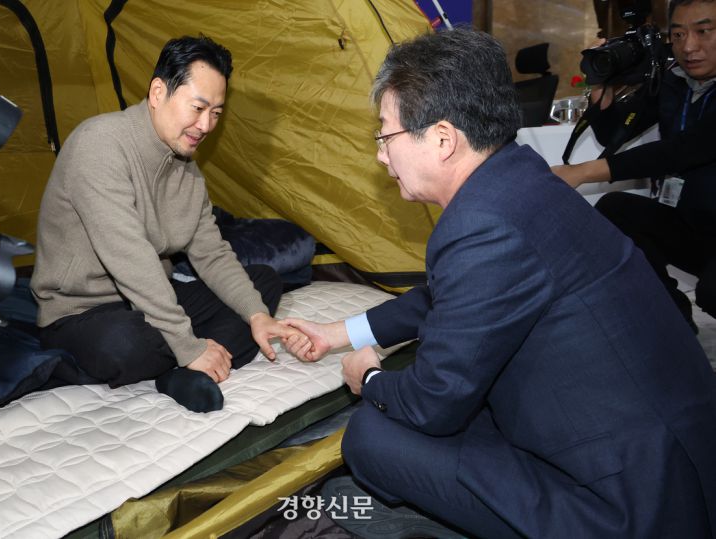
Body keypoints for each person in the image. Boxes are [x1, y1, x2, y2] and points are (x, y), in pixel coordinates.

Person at [283, 26, 716, 538]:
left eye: (385, 136)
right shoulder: (521, 177)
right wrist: (337, 334)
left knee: (371, 434)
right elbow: (452, 296)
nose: (380, 155)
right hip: (665, 450)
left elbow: (432, 402)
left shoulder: (482, 225)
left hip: (628, 504)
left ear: (442, 138)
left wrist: (370, 377)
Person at [31, 36, 305, 413]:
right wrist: (188, 344)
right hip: (82, 312)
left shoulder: (187, 172)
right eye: (198, 107)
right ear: (158, 92)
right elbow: (130, 257)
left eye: (216, 113)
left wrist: (257, 316)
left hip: (152, 299)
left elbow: (212, 254)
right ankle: (189, 356)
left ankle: (181, 371)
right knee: (123, 343)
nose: (206, 125)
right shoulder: (99, 144)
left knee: (262, 284)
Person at [553, 0, 716, 332]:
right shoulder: (675, 81)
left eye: (703, 31)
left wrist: (582, 172)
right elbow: (615, 134)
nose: (689, 46)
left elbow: (679, 151)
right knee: (616, 209)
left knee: (712, 292)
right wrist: (602, 89)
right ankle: (671, 318)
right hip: (698, 228)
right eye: (678, 34)